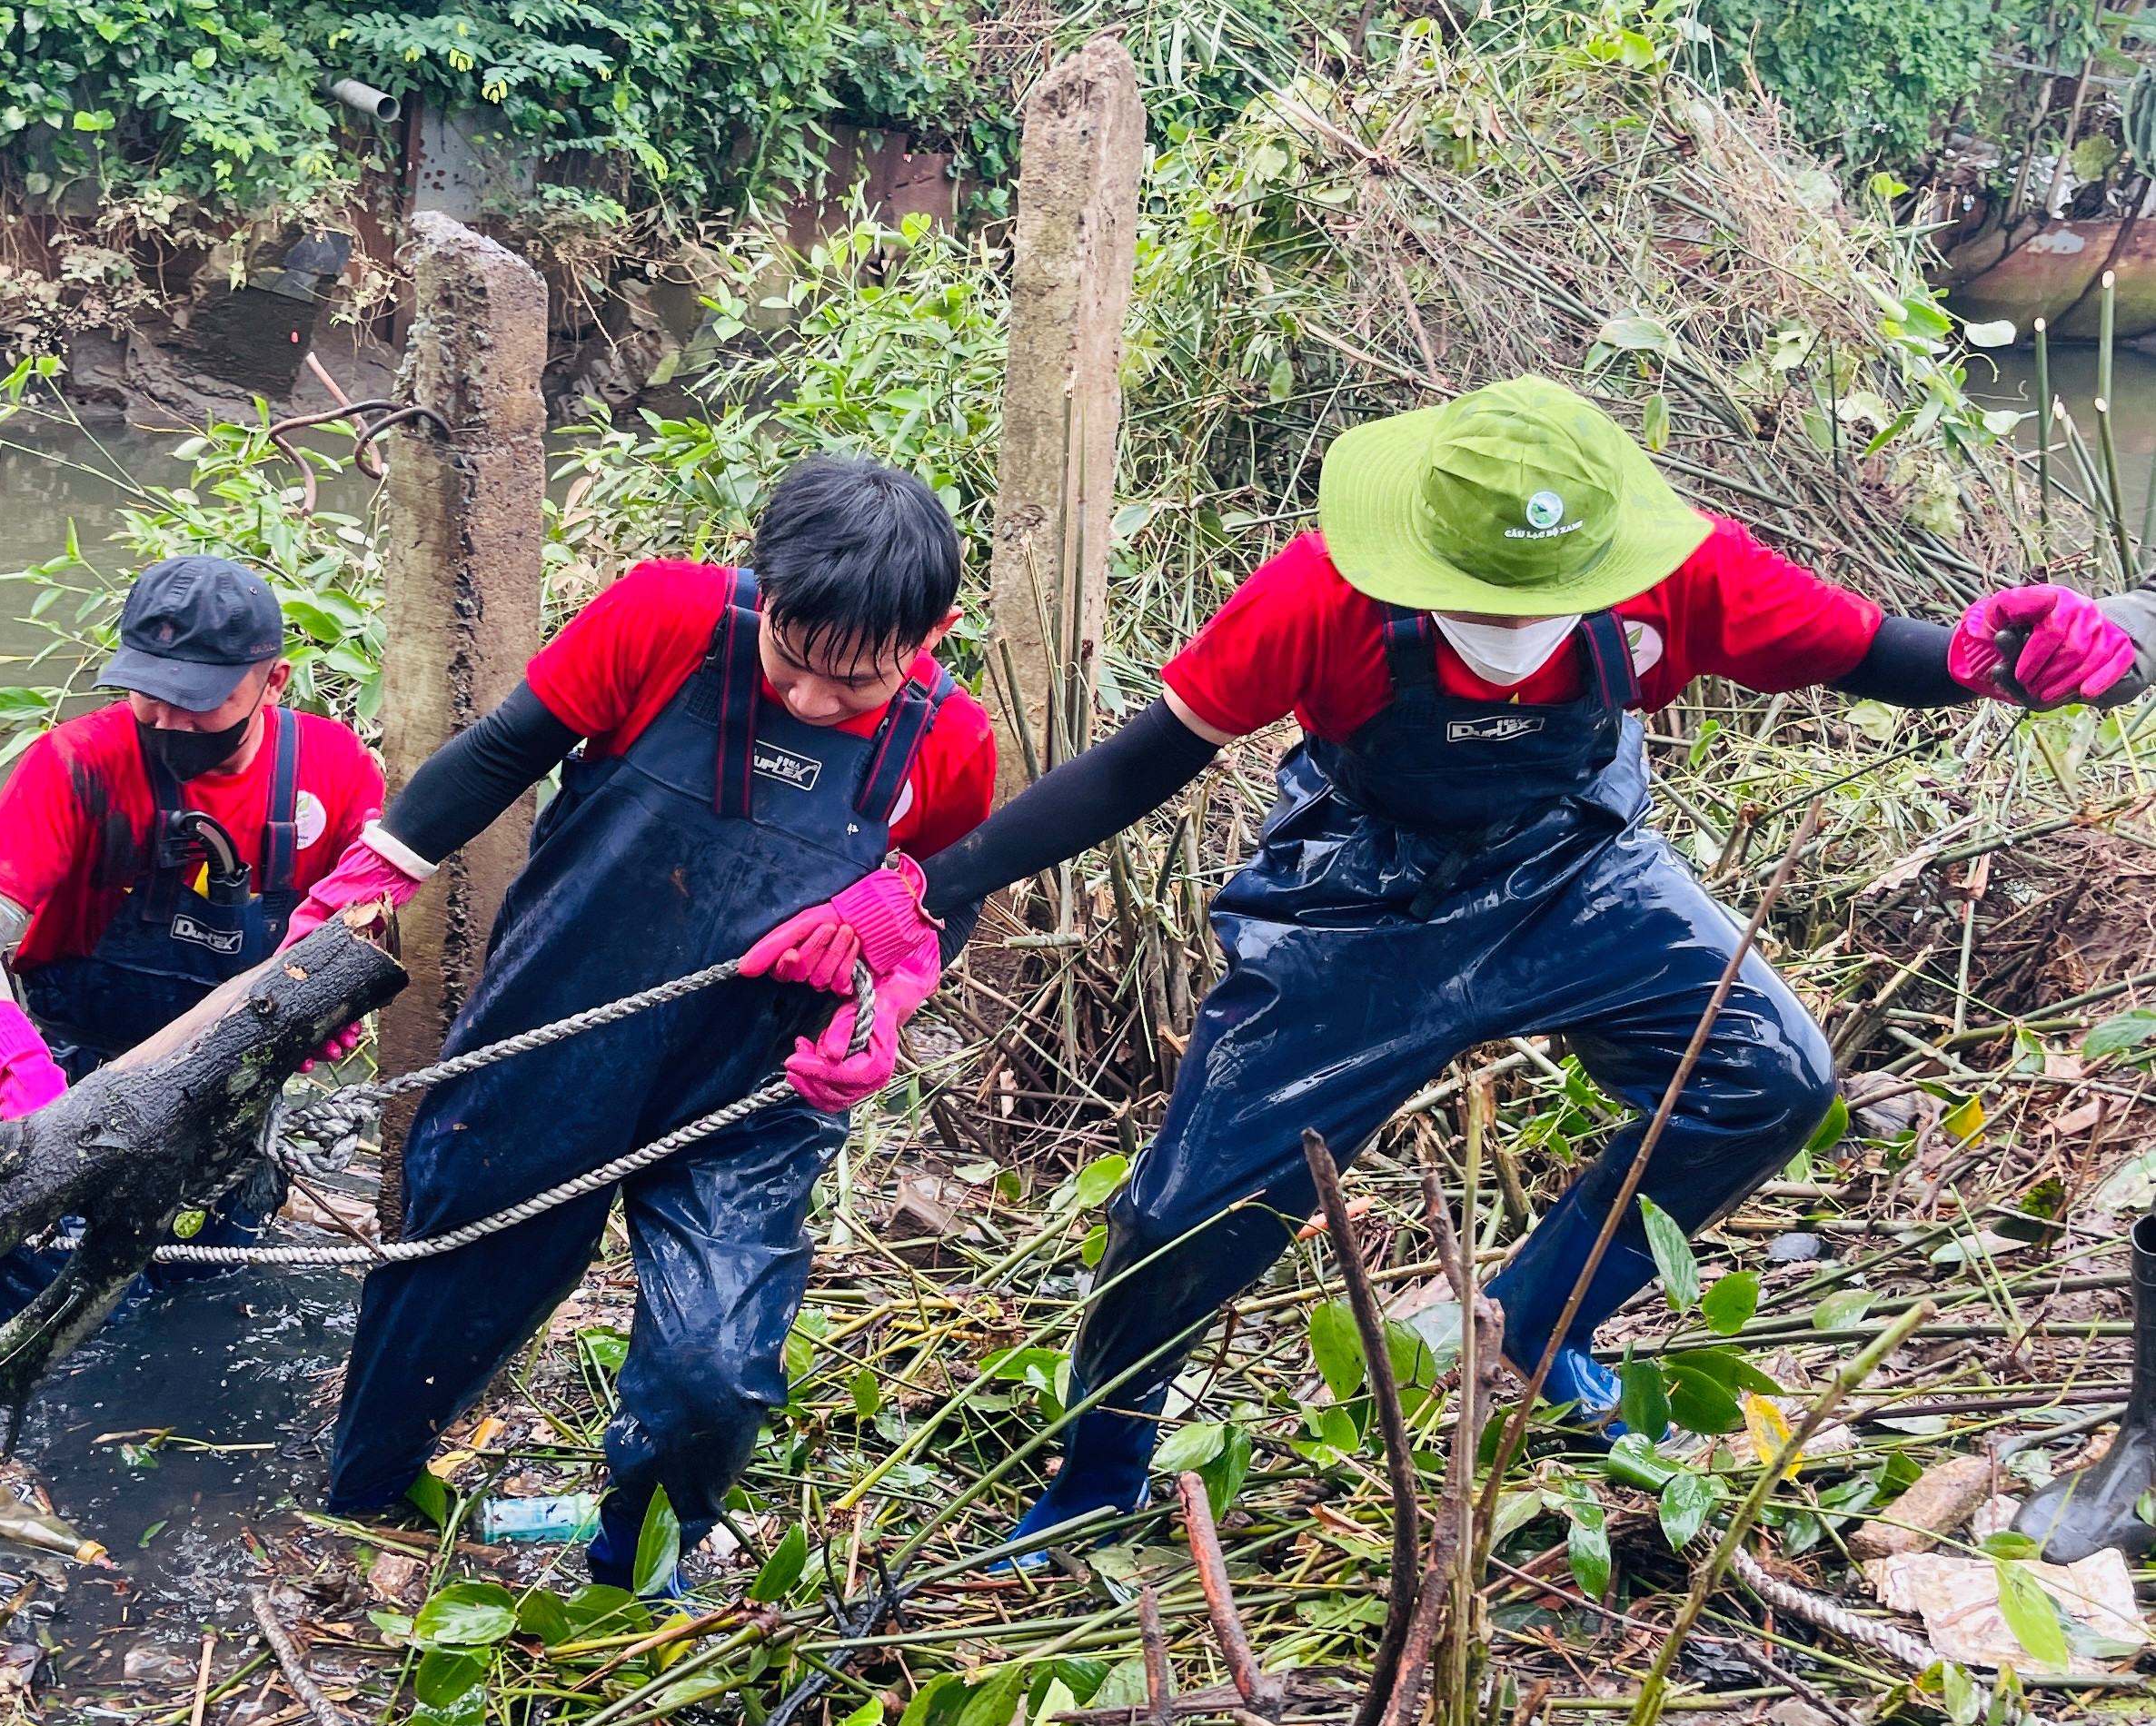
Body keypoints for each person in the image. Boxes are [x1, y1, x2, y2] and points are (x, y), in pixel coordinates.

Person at [756, 375, 2155, 1549]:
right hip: (1360, 898)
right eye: (1471, 607)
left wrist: (1998, 658)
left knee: (1768, 1073)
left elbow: (1876, 650)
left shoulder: (1690, 570)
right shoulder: (1317, 593)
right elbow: (1143, 761)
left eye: (1531, 611)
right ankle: (1101, 1462)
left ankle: (1536, 1327)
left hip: (1575, 868)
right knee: (1183, 1211)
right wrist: (925, 892)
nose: (1499, 643)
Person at [283, 454, 998, 1590]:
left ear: (931, 632)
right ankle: (357, 1512)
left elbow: (936, 905)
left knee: (714, 1367)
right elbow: (505, 750)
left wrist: (889, 1005)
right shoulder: (665, 618)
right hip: (560, 1025)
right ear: (765, 590)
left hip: (757, 1087)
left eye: (852, 686)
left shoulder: (949, 744)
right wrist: (372, 875)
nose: (813, 700)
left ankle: (631, 1578)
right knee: (442, 1295)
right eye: (793, 662)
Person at [0, 555, 384, 1324]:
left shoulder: (334, 770)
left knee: (199, 1307)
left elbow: (368, 922)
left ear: (274, 681)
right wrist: (16, 1067)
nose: (167, 721)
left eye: (197, 701)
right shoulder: (76, 763)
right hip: (72, 1088)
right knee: (53, 1326)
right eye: (149, 692)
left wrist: (331, 1004)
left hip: (231, 1098)